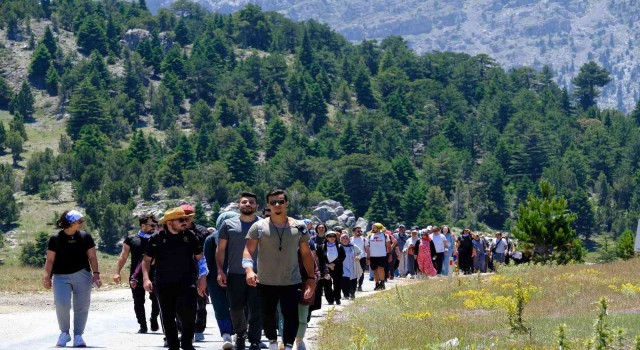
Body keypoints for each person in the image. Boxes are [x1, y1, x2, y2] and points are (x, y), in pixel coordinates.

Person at [243, 189, 316, 350]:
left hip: (291, 280)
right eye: (273, 202)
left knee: (291, 314)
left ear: (287, 204)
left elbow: (306, 254)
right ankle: (273, 342)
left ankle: (288, 345)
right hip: (265, 281)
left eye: (281, 201)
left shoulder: (299, 227)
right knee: (267, 314)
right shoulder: (259, 227)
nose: (277, 205)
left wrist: (311, 279)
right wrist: (249, 270)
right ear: (268, 205)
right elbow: (248, 251)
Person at [142, 207, 208, 350]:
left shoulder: (190, 236)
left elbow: (201, 258)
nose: (185, 222)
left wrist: (203, 277)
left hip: (187, 282)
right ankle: (173, 345)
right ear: (170, 223)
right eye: (181, 220)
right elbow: (146, 260)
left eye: (186, 219)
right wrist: (146, 279)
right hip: (164, 283)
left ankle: (187, 343)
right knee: (168, 316)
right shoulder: (157, 238)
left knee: (190, 313)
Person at [43, 210, 102, 348]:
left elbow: (92, 257)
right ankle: (64, 333)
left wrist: (96, 274)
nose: (82, 224)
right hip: (60, 276)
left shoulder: (85, 236)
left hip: (82, 275)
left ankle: (78, 336)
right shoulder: (55, 238)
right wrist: (47, 277)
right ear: (70, 222)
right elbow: (50, 260)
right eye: (79, 221)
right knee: (61, 304)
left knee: (81, 306)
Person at [216, 192, 263, 350]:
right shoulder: (228, 224)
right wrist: (220, 271)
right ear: (239, 205)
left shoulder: (264, 224)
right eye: (244, 202)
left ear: (257, 205)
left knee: (256, 308)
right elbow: (220, 249)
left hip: (260, 274)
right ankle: (241, 334)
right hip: (235, 273)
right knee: (235, 308)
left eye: (251, 202)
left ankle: (255, 340)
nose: (248, 204)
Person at [113, 214, 160, 334]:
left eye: (156, 225)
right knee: (138, 300)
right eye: (152, 225)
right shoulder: (131, 239)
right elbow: (123, 256)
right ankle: (142, 325)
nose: (154, 227)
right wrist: (117, 272)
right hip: (136, 275)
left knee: (156, 299)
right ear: (142, 225)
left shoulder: (158, 238)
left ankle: (154, 317)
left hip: (156, 274)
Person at [204, 211, 238, 350]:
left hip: (214, 279)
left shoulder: (211, 238)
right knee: (239, 306)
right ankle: (237, 333)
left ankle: (226, 335)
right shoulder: (241, 237)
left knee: (220, 307)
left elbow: (206, 262)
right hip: (237, 277)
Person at [179, 204, 210, 342]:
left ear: (193, 216)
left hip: (199, 271)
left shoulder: (202, 232)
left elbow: (206, 253)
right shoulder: (175, 230)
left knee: (200, 302)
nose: (185, 219)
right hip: (179, 271)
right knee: (179, 303)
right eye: (182, 216)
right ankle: (182, 330)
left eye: (188, 216)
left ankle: (199, 328)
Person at [317, 230, 345, 305]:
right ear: (327, 238)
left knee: (337, 284)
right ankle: (330, 299)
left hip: (337, 267)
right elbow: (320, 258)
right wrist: (327, 265)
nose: (332, 238)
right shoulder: (322, 247)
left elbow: (342, 256)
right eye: (330, 236)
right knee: (327, 284)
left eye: (334, 236)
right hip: (326, 268)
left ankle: (337, 298)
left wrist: (334, 264)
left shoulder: (339, 246)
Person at [365, 223, 391, 291]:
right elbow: (367, 246)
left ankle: (382, 283)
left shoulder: (385, 235)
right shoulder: (369, 236)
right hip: (372, 256)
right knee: (375, 270)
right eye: (372, 227)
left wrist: (390, 254)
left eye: (374, 227)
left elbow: (388, 245)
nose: (372, 229)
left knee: (381, 268)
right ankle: (377, 283)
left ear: (379, 228)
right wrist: (368, 257)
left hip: (382, 255)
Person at [340, 233, 362, 300]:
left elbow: (361, 252)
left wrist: (358, 257)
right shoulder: (339, 247)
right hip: (343, 266)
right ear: (341, 239)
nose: (345, 240)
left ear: (349, 239)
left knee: (353, 280)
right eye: (343, 238)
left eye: (346, 238)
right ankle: (346, 294)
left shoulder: (353, 246)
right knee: (344, 280)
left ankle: (352, 293)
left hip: (353, 266)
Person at [350, 227, 366, 291]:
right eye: (358, 231)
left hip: (362, 257)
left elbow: (367, 248)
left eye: (360, 231)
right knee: (354, 272)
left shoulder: (364, 239)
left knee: (361, 272)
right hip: (353, 258)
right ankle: (353, 285)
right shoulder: (350, 239)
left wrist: (368, 258)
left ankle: (360, 285)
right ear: (354, 232)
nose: (359, 232)